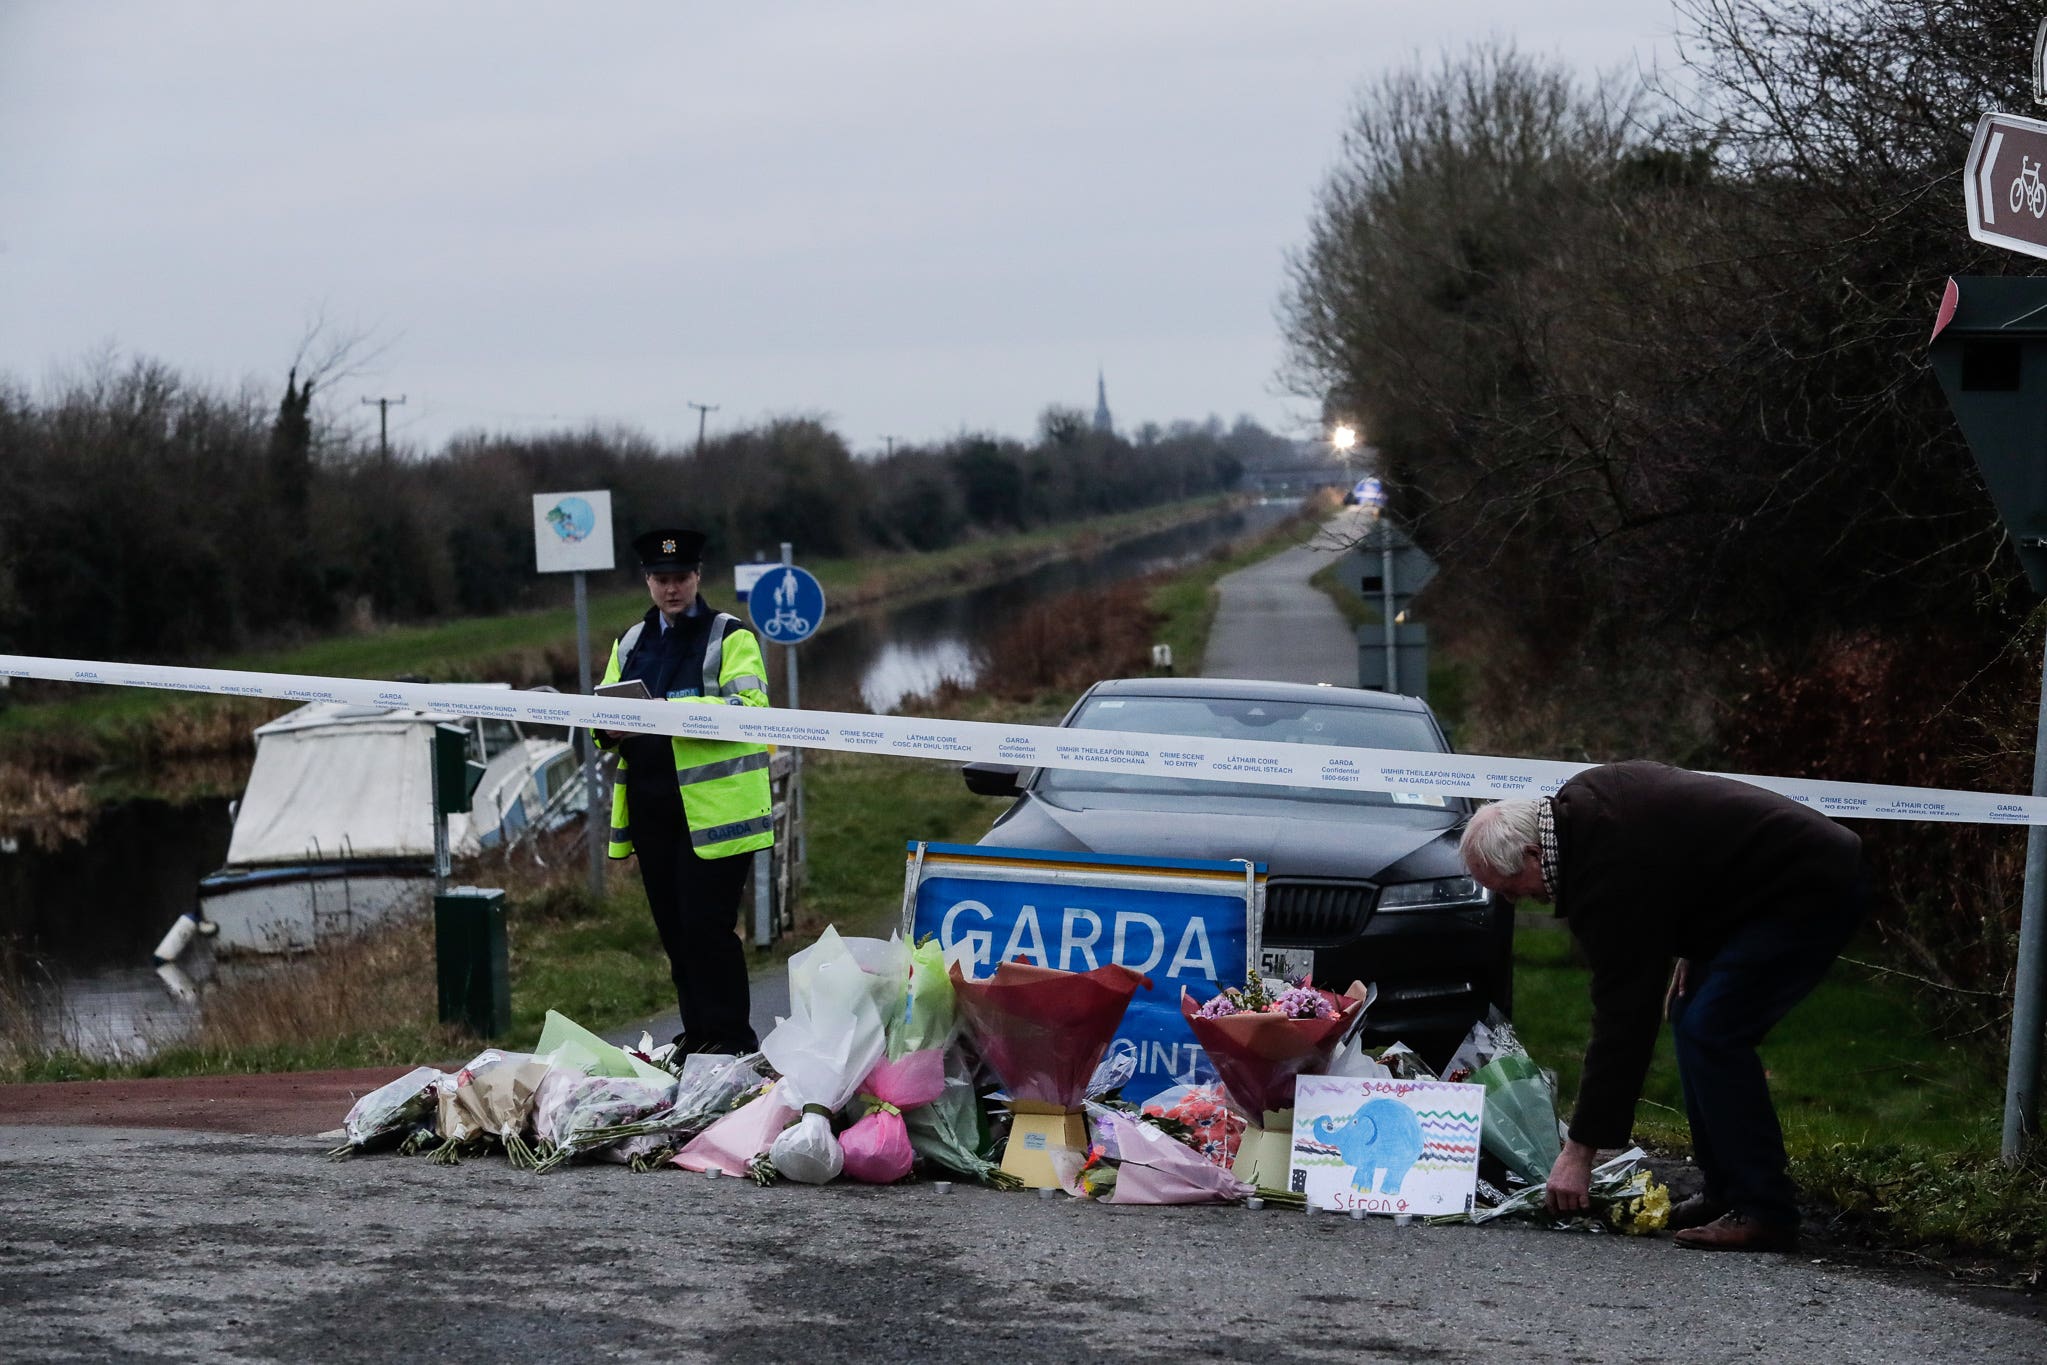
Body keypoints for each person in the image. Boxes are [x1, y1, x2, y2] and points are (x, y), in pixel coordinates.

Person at [1458, 760, 1868, 1252]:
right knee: (1691, 1014)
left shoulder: (1603, 871)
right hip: (1763, 890)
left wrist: (1579, 1152)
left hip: (1809, 887)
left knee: (1714, 1030)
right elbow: (1685, 861)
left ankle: (1768, 1210)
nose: (1513, 901)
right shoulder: (1580, 811)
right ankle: (1727, 1189)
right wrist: (1694, 944)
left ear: (1530, 853)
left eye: (1508, 887)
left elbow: (1623, 1021)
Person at [594, 528, 774, 1057]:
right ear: (648, 581)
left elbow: (754, 712)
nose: (671, 589)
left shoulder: (730, 636)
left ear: (697, 577)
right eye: (661, 579)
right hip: (653, 811)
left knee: (707, 929)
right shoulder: (630, 643)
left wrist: (676, 715)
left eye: (680, 578)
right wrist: (608, 726)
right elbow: (598, 718)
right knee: (675, 932)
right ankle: (698, 1035)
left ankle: (733, 1039)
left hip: (714, 814)